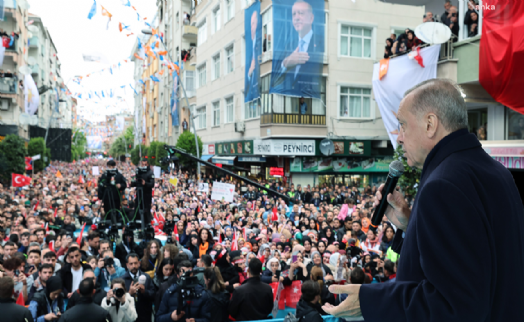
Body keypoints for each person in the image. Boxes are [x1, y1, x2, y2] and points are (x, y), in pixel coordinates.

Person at [322, 79, 524, 321]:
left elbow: (455, 304)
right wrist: (410, 224)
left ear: (430, 124)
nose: (399, 137)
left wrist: (370, 300)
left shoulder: (442, 185)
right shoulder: (496, 172)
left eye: (403, 125)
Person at [271, 0, 323, 97]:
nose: (296, 18)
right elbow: (275, 80)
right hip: (290, 100)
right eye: (294, 14)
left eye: (301, 13)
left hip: (310, 101)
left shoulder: (321, 42)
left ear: (311, 18)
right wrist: (286, 63)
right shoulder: (289, 46)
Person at [121, 253, 155, 322]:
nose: (134, 266)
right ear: (127, 265)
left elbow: (153, 294)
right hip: (130, 315)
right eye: (131, 264)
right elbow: (120, 299)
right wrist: (129, 293)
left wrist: (144, 292)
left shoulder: (146, 277)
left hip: (145, 314)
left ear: (139, 263)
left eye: (135, 263)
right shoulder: (122, 280)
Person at [130, 158, 154, 225]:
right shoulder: (139, 171)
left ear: (148, 164)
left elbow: (152, 184)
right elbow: (138, 182)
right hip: (139, 194)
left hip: (146, 195)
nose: (144, 166)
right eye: (142, 164)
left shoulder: (150, 172)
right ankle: (137, 223)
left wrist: (145, 183)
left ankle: (146, 224)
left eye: (145, 164)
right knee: (137, 209)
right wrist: (132, 184)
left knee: (146, 210)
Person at [245, 10, 260, 102]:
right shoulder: (250, 51)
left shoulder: (259, 43)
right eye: (251, 25)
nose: (251, 28)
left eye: (253, 24)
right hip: (252, 92)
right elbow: (246, 89)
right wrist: (249, 73)